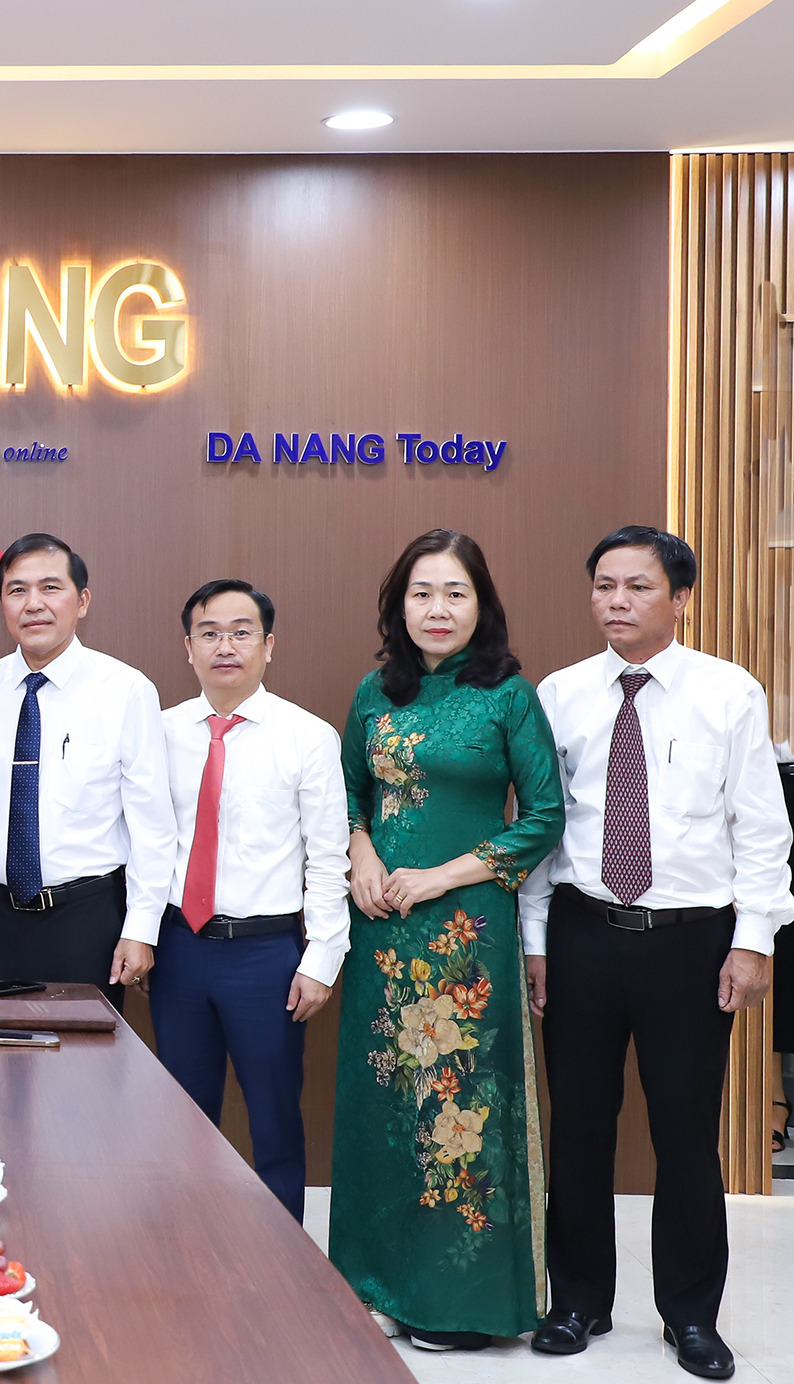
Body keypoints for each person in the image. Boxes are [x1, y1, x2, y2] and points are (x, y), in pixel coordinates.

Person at [519, 527, 787, 1380]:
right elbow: (541, 832)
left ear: (680, 597)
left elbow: (763, 830)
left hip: (690, 942)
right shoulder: (559, 694)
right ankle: (579, 1301)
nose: (617, 602)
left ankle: (691, 1318)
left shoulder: (730, 693)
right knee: (581, 1132)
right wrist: (536, 942)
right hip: (583, 932)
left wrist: (753, 942)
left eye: (637, 586)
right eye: (604, 586)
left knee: (685, 1137)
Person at [328, 528, 563, 1352]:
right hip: (383, 932)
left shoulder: (508, 694)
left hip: (466, 934)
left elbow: (542, 818)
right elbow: (346, 795)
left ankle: (459, 1300)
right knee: (385, 1105)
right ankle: (377, 1283)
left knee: (458, 1111)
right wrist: (360, 854)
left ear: (482, 604)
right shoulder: (372, 692)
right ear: (399, 603)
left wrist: (440, 874)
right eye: (422, 592)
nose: (437, 608)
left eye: (455, 593)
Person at [148, 580, 348, 1223]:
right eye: (209, 633)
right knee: (180, 1118)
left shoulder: (307, 736)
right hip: (180, 949)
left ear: (268, 645)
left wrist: (321, 958)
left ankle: (284, 1265)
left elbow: (327, 857)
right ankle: (188, 1248)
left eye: (241, 632)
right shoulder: (160, 733)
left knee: (274, 1121)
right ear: (187, 647)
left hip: (266, 955)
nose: (224, 646)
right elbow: (146, 844)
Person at [0, 533, 176, 1005]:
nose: (33, 604)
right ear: (1, 604)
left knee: (85, 1069)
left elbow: (151, 824)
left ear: (83, 601)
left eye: (50, 588)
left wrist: (141, 927)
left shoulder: (126, 691)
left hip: (86, 921)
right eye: (17, 590)